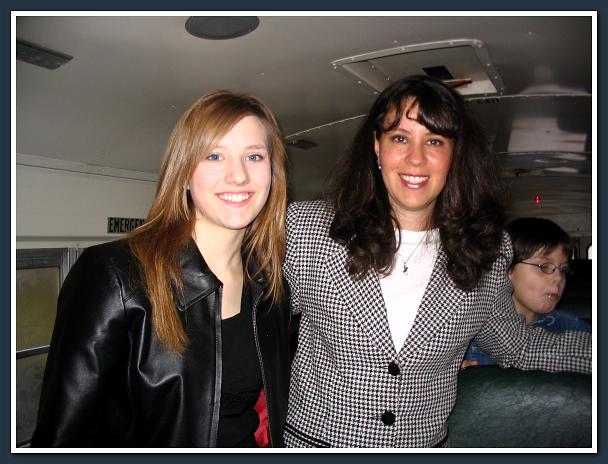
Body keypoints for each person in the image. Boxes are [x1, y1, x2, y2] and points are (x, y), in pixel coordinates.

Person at [282, 75, 591, 448]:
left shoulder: (488, 254)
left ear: (454, 154)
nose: (416, 158)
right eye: (400, 138)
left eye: (434, 141)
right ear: (377, 146)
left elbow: (517, 346)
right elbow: (252, 320)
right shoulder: (308, 229)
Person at [31, 91, 295, 447]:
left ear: (273, 173)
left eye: (254, 156)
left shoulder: (270, 284)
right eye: (214, 155)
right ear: (183, 174)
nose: (239, 175)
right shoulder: (115, 276)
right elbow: (64, 437)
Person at [462, 217, 591, 367]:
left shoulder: (572, 328)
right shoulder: (468, 329)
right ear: (507, 269)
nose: (558, 278)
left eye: (563, 270)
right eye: (544, 266)